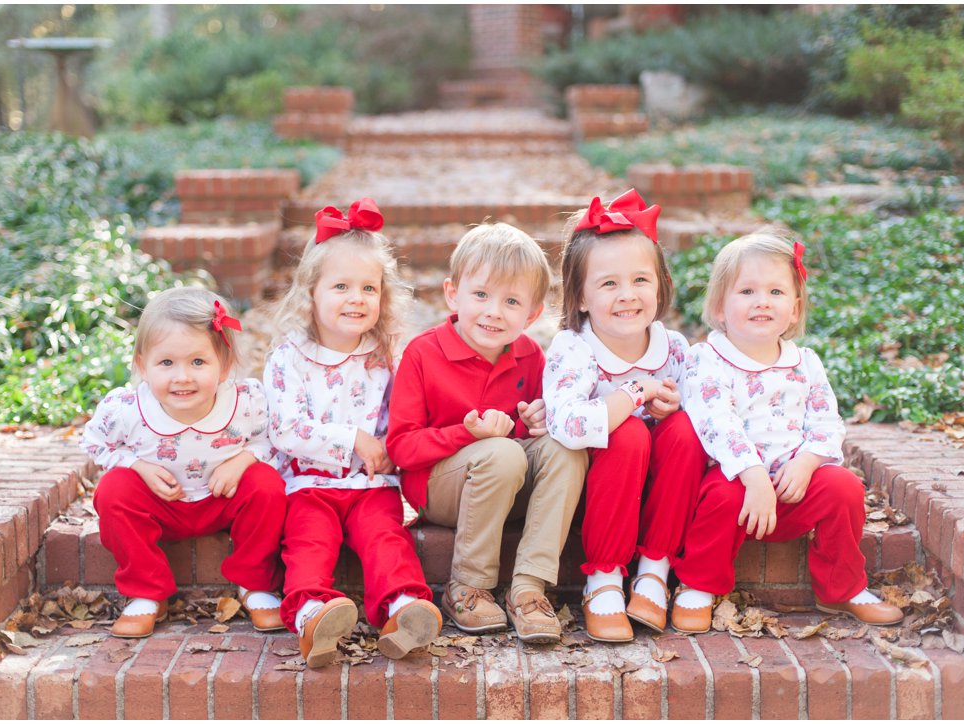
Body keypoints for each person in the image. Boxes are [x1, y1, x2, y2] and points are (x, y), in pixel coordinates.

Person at [672, 230, 904, 633]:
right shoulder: (706, 359)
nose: (762, 301)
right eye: (747, 290)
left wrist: (808, 462)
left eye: (776, 292)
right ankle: (699, 584)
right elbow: (716, 421)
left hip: (794, 487)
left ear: (794, 310)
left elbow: (826, 420)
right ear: (720, 307)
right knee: (722, 497)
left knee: (843, 487)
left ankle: (841, 589)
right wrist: (753, 475)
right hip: (735, 483)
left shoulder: (805, 362)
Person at [387, 222, 588, 645]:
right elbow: (402, 447)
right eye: (480, 295)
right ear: (452, 294)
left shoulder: (531, 355)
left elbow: (528, 431)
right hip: (439, 491)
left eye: (511, 301)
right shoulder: (424, 353)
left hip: (507, 486)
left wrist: (537, 421)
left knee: (565, 449)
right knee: (501, 452)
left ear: (532, 314)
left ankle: (529, 588)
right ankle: (468, 586)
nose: (493, 312)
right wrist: (467, 433)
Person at [264, 199, 441, 669]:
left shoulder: (385, 356)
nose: (356, 298)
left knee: (387, 539)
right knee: (309, 543)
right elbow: (285, 429)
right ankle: (312, 616)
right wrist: (354, 440)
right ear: (311, 295)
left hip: (371, 486)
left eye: (369, 288)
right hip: (310, 486)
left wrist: (394, 448)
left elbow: (403, 418)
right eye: (341, 286)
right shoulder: (291, 358)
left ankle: (404, 610)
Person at [542, 189, 708, 642]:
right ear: (579, 296)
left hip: (663, 492)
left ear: (660, 285)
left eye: (641, 280)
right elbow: (569, 427)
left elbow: (710, 415)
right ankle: (604, 580)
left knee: (686, 429)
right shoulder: (574, 349)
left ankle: (655, 570)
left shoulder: (672, 346)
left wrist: (675, 404)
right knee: (629, 433)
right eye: (609, 283)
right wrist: (634, 393)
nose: (628, 295)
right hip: (602, 495)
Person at [81, 287, 286, 638]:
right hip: (162, 505)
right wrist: (137, 466)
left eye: (197, 362)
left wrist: (241, 461)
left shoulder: (246, 403)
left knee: (267, 484)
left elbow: (274, 441)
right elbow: (95, 444)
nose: (182, 377)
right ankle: (146, 592)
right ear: (143, 366)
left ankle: (255, 585)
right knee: (113, 489)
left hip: (223, 500)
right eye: (166, 363)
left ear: (222, 366)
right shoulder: (127, 410)